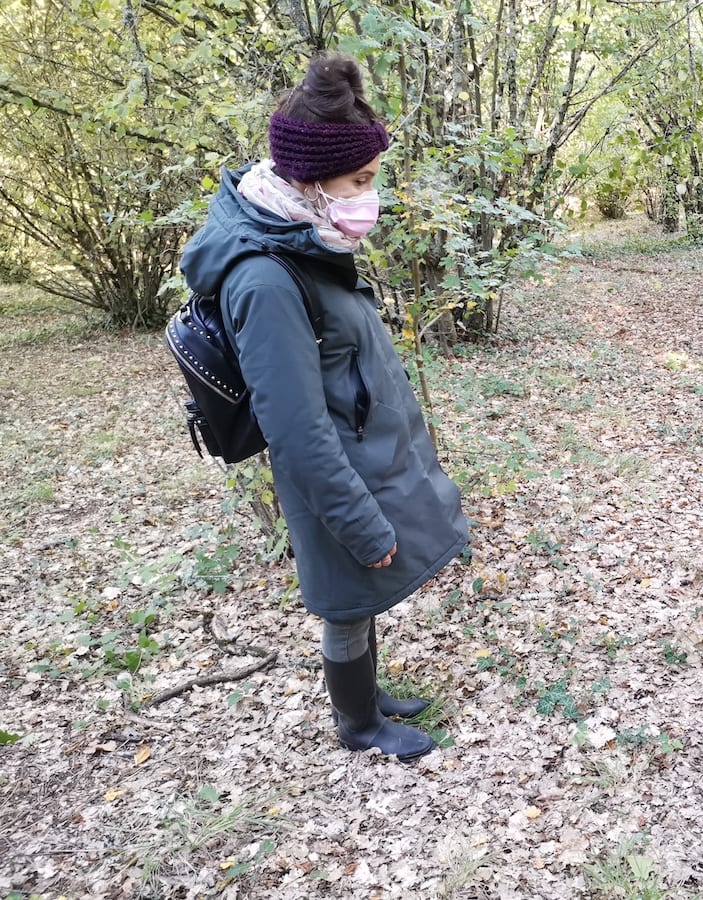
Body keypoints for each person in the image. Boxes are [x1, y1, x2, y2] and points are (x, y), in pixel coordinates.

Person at [180, 54, 469, 761]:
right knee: (347, 596)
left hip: (359, 451)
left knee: (360, 598)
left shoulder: (300, 235)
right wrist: (362, 524)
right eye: (360, 181)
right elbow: (296, 428)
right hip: (331, 473)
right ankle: (358, 724)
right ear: (310, 183)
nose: (369, 195)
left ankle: (369, 697)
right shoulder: (266, 279)